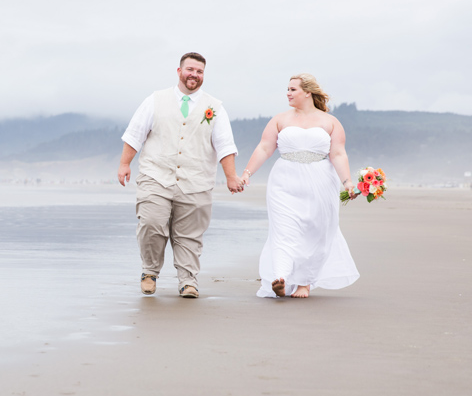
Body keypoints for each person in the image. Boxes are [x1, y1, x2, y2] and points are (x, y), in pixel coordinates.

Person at [117, 52, 243, 298]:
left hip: (196, 181)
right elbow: (135, 134)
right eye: (190, 70)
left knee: (190, 235)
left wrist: (231, 177)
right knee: (151, 223)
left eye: (200, 71)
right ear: (179, 71)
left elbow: (225, 145)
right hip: (156, 175)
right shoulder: (155, 100)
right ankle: (150, 272)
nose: (194, 75)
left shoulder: (215, 108)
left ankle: (188, 281)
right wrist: (124, 164)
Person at [240, 73, 360, 298]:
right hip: (284, 181)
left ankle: (305, 282)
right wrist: (247, 173)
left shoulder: (330, 122)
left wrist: (348, 183)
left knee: (316, 231)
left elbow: (338, 153)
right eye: (287, 89)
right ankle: (282, 277)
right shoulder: (280, 119)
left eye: (292, 89)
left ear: (308, 92)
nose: (288, 93)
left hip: (321, 182)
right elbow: (265, 148)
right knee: (284, 229)